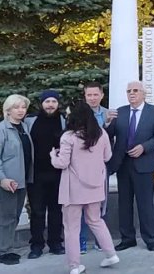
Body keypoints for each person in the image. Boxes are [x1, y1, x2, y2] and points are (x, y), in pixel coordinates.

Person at [50, 102, 119, 274]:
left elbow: (62, 163)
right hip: (95, 186)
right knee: (96, 221)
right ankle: (111, 254)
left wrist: (53, 156)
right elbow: (108, 156)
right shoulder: (101, 133)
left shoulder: (68, 137)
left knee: (71, 227)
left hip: (73, 189)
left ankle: (75, 265)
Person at [106, 81, 154, 252]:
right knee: (124, 203)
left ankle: (150, 238)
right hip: (123, 164)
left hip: (144, 164)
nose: (131, 93)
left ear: (143, 94)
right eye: (128, 91)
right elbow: (108, 136)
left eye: (135, 91)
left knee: (145, 204)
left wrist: (144, 147)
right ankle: (127, 238)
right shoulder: (121, 112)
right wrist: (108, 123)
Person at [25, 90, 66, 259]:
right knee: (37, 211)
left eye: (53, 101)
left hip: (58, 174)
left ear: (58, 104)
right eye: (47, 101)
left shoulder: (64, 120)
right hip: (36, 175)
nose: (50, 104)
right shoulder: (29, 120)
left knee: (57, 210)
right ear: (41, 103)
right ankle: (36, 245)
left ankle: (56, 243)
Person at [80, 81, 115, 253]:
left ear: (102, 95)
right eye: (89, 95)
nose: (92, 98)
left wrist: (108, 124)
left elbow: (108, 140)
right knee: (81, 203)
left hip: (101, 166)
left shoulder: (109, 114)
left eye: (96, 95)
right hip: (82, 167)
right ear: (84, 96)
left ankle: (101, 241)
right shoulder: (79, 114)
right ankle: (81, 241)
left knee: (102, 202)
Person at [0, 95, 33, 265]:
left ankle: (7, 247)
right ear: (8, 110)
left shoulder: (24, 128)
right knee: (6, 217)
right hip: (7, 182)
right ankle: (3, 251)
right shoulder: (2, 129)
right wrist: (2, 179)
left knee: (14, 216)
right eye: (16, 107)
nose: (20, 110)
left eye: (23, 107)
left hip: (22, 180)